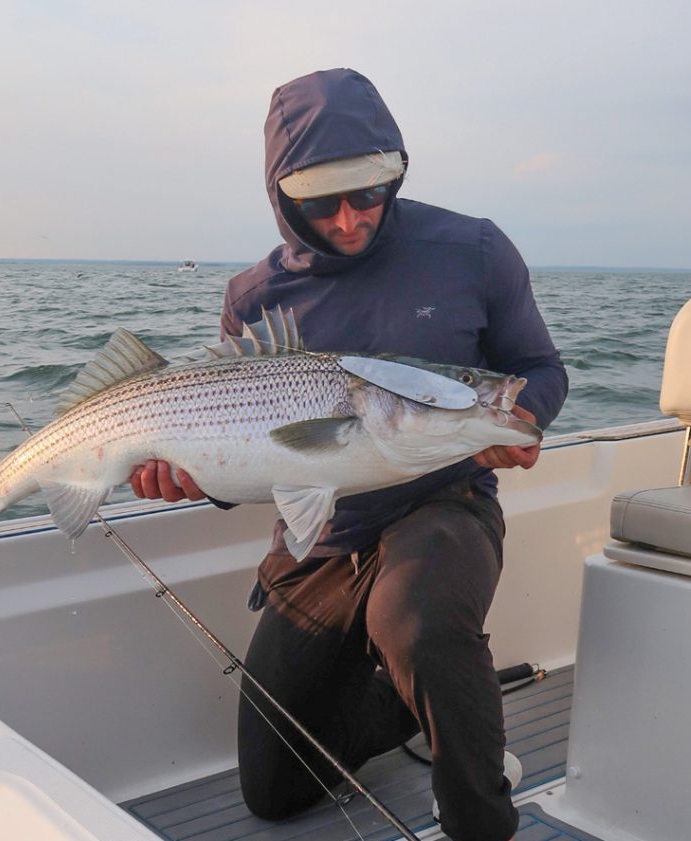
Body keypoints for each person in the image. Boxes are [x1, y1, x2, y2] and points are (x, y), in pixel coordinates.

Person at [131, 68, 568, 841]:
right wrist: (190, 478)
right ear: (281, 193)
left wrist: (525, 415)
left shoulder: (471, 248)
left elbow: (540, 368)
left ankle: (480, 816)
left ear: (396, 171)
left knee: (414, 620)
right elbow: (245, 460)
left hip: (443, 501)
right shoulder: (253, 295)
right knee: (273, 787)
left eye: (369, 191)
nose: (350, 216)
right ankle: (416, 698)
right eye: (322, 199)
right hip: (325, 533)